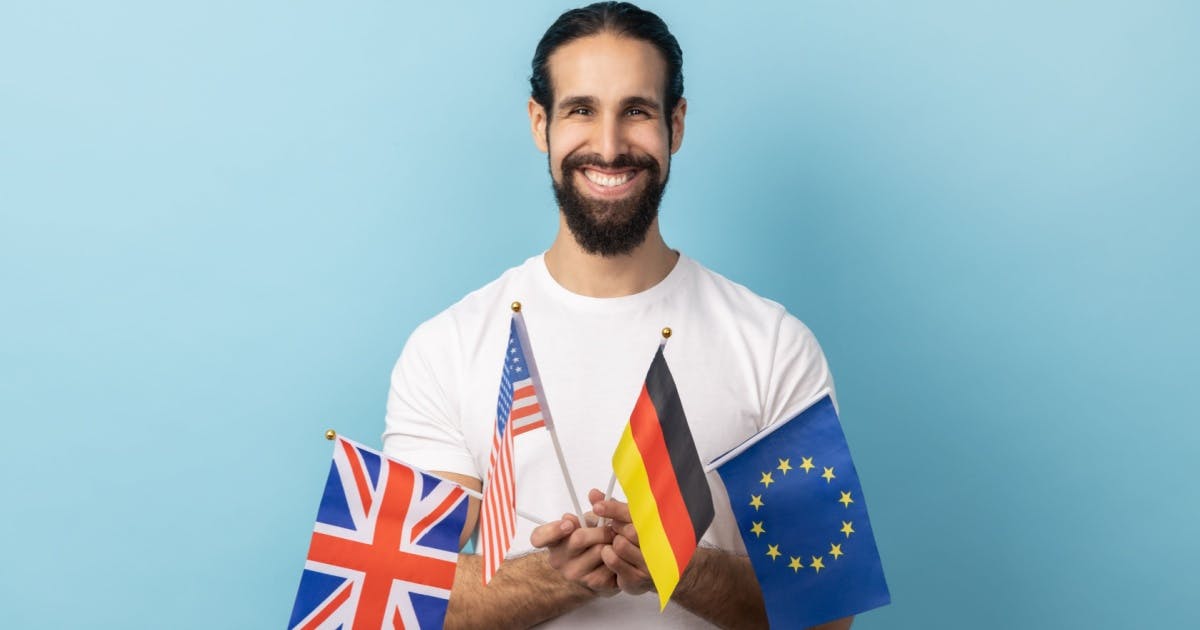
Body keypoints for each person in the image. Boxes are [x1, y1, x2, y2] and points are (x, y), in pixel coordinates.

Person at [384, 3, 853, 628]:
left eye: (636, 111)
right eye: (581, 110)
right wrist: (559, 579)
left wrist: (680, 566)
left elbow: (827, 611)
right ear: (539, 123)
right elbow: (397, 589)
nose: (608, 147)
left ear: (675, 124)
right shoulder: (447, 348)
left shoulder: (773, 346)